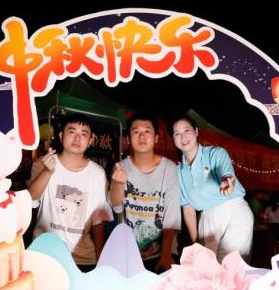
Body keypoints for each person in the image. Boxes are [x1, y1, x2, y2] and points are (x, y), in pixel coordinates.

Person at [28, 114, 113, 272]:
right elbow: (31, 200)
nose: (77, 138)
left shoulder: (97, 173)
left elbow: (97, 219)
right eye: (72, 131)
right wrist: (47, 172)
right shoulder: (43, 164)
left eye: (83, 134)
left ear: (90, 141)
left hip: (83, 257)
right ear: (61, 136)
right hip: (45, 252)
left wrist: (101, 257)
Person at [172, 115, 254, 262]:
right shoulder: (178, 172)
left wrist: (226, 181)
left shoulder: (215, 153)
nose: (183, 137)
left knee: (233, 266)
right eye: (177, 134)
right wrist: (195, 242)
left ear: (196, 132)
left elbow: (226, 172)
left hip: (235, 210)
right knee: (207, 265)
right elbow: (188, 209)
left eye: (187, 130)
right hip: (207, 216)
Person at [109, 112, 181, 272]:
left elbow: (171, 215)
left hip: (162, 251)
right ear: (128, 139)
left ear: (156, 138)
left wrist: (165, 255)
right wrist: (118, 184)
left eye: (147, 131)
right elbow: (116, 206)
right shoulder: (120, 167)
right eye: (136, 132)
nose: (141, 136)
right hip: (128, 253)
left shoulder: (170, 169)